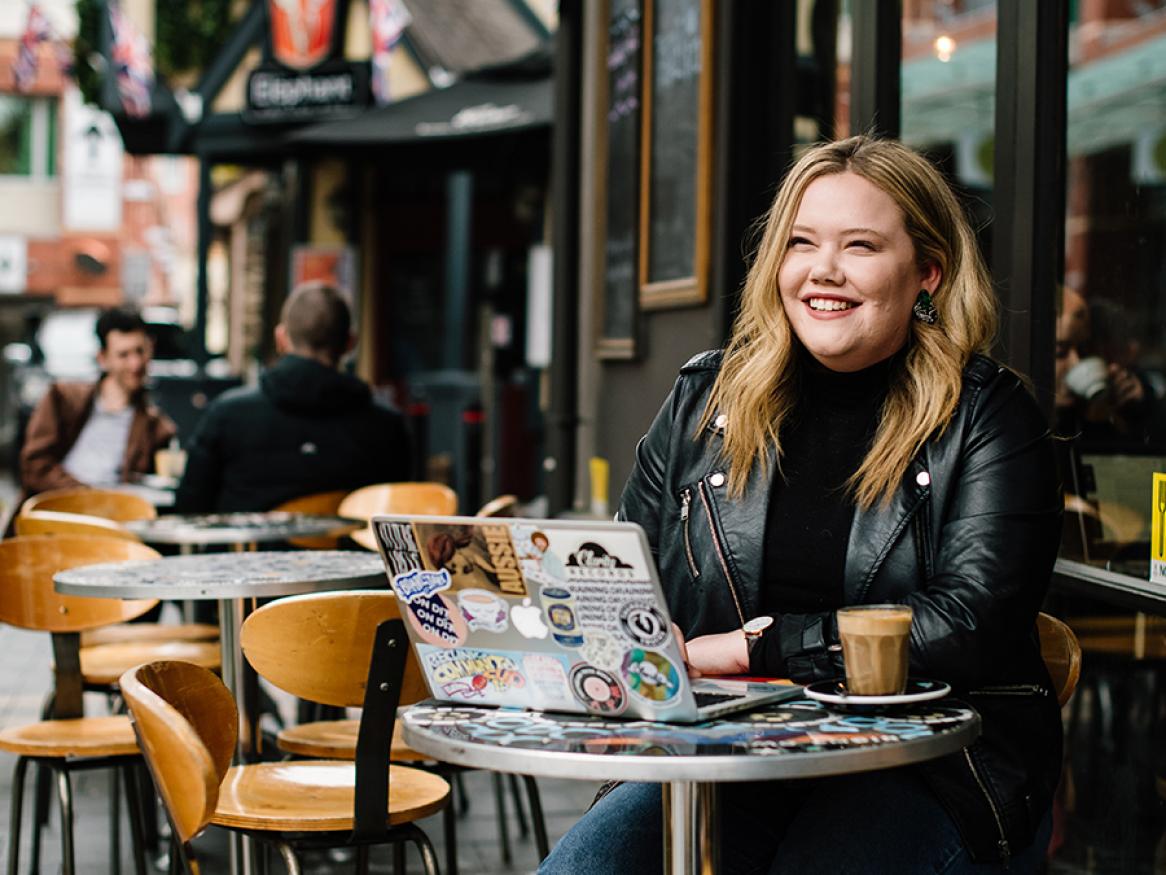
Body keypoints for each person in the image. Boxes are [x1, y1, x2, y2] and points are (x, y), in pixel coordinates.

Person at [541, 136, 1063, 874]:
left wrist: (761, 648)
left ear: (927, 273)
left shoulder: (988, 416)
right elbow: (632, 592)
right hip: (728, 755)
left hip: (930, 769)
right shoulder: (703, 401)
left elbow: (969, 621)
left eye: (860, 245)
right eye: (801, 242)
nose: (823, 269)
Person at [175, 282, 412, 512]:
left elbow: (190, 507)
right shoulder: (386, 427)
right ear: (350, 344)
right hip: (346, 552)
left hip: (247, 552)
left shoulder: (226, 414)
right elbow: (397, 516)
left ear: (281, 338)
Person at [19, 305, 176, 497]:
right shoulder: (64, 398)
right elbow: (35, 464)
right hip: (58, 509)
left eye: (140, 351)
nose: (135, 364)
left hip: (114, 517)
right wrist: (86, 496)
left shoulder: (157, 428)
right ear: (103, 358)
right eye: (123, 355)